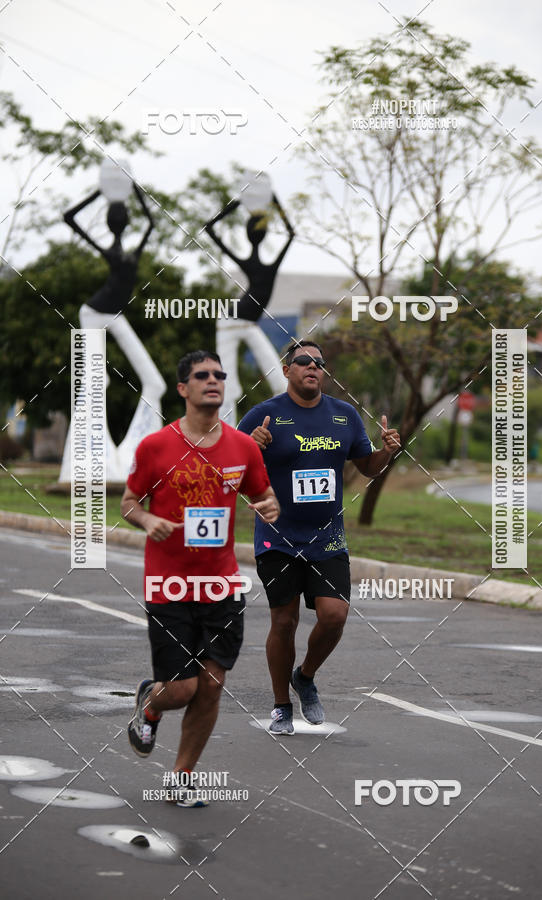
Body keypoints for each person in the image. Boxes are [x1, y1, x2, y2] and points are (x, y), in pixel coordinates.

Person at [122, 349, 279, 806]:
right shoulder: (156, 447)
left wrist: (270, 507)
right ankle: (151, 703)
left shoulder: (243, 446)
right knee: (182, 688)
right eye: (202, 375)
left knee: (211, 685)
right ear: (183, 389)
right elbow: (130, 502)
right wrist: (148, 521)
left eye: (219, 375)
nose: (214, 380)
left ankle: (182, 777)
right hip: (168, 583)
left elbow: (263, 494)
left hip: (222, 584)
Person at [238, 340, 401, 734]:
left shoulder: (344, 416)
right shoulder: (264, 416)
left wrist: (387, 452)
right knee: (284, 621)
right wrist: (251, 450)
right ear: (287, 368)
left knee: (334, 616)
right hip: (277, 538)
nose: (313, 367)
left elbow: (367, 468)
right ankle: (280, 707)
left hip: (327, 538)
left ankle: (305, 676)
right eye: (304, 361)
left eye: (319, 363)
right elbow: (229, 471)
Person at [60, 183, 166, 482]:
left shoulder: (130, 249)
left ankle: (137, 459)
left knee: (155, 383)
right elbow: (70, 217)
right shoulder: (111, 252)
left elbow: (153, 222)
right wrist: (102, 192)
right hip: (93, 313)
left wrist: (130, 189)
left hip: (114, 315)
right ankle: (84, 463)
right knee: (95, 382)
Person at [204, 195, 295, 424]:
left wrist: (271, 199)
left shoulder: (261, 264)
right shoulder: (261, 264)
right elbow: (209, 229)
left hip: (248, 323)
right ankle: (228, 439)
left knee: (281, 384)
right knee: (228, 386)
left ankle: (274, 433)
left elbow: (292, 235)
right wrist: (253, 201)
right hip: (229, 322)